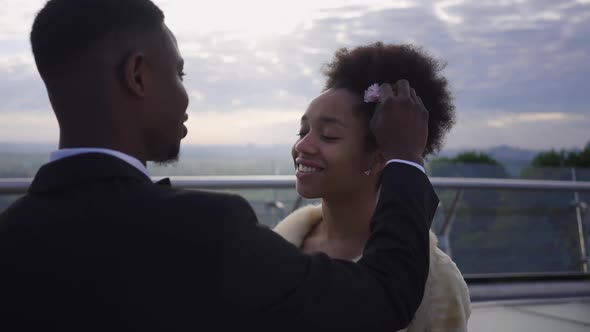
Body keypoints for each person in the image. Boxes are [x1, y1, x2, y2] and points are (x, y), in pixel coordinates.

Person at [0, 0, 438, 331]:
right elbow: (383, 296)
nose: (185, 95)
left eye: (327, 134)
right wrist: (406, 159)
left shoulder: (12, 237)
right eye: (180, 73)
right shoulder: (208, 232)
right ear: (137, 75)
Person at [274, 43, 471, 331]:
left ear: (380, 155)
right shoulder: (280, 246)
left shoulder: (435, 285)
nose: (302, 146)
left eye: (328, 136)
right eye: (303, 132)